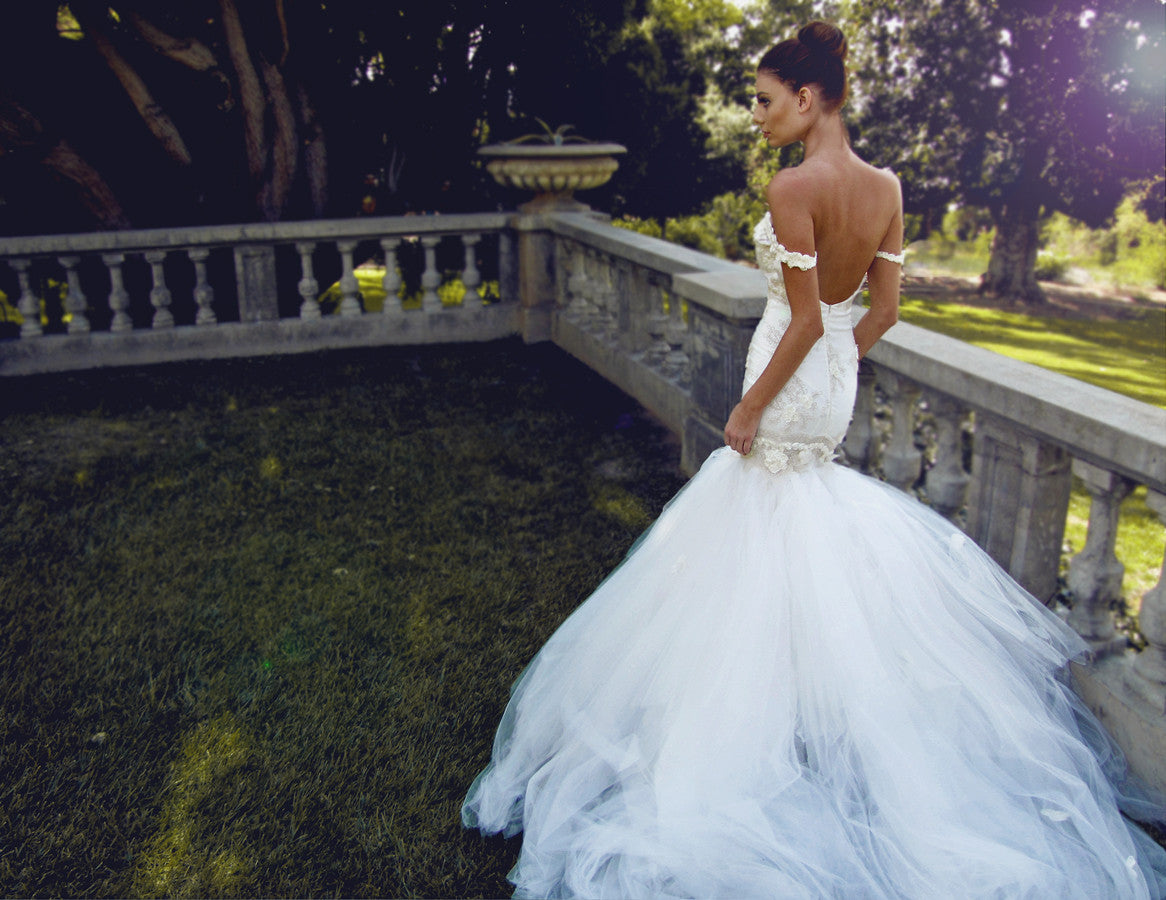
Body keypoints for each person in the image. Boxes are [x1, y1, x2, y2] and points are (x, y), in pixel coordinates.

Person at [463, 21, 1166, 899]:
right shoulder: (886, 186)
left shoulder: (794, 185)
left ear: (807, 98)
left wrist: (751, 406)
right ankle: (796, 717)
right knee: (804, 525)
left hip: (787, 372)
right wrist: (838, 364)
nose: (756, 116)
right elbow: (884, 311)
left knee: (752, 530)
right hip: (830, 379)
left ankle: (740, 731)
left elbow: (797, 320)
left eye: (764, 100)